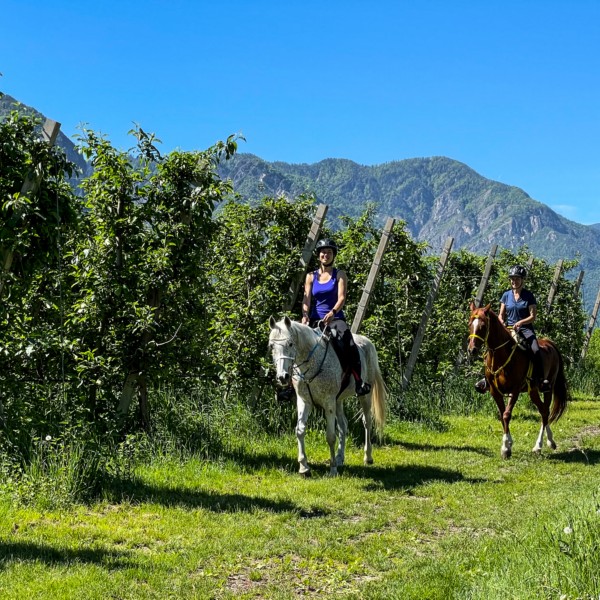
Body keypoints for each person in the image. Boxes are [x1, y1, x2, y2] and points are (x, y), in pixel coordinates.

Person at [301, 238, 371, 396]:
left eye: (329, 252)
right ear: (318, 255)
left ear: (333, 255)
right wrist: (305, 315)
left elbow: (342, 298)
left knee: (348, 343)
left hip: (335, 319)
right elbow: (306, 299)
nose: (326, 255)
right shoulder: (311, 277)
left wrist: (332, 312)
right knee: (295, 343)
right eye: (323, 252)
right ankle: (288, 387)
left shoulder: (339, 275)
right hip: (314, 319)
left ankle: (359, 381)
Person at [475, 265, 550, 393]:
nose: (514, 281)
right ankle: (487, 379)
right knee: (492, 349)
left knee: (535, 349)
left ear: (522, 280)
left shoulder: (528, 296)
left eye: (517, 279)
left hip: (525, 329)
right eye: (512, 279)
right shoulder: (506, 295)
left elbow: (533, 316)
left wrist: (521, 322)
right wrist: (501, 320)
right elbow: (501, 314)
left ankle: (541, 380)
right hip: (508, 328)